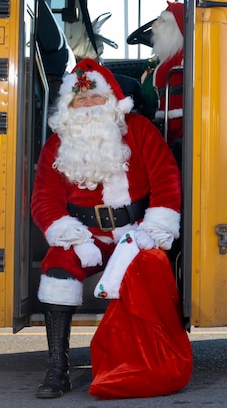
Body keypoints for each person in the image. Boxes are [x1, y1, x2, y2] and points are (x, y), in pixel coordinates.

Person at [31, 57, 183, 399]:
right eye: (79, 100)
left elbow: (167, 181)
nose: (87, 105)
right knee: (57, 269)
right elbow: (44, 201)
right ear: (69, 107)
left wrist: (151, 229)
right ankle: (58, 367)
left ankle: (144, 360)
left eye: (94, 97)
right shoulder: (57, 144)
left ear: (111, 100)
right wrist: (71, 235)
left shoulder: (140, 131)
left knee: (150, 266)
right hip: (85, 236)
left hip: (137, 230)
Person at [151, 1, 185, 144]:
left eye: (162, 20)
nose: (156, 24)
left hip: (179, 121)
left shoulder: (184, 57)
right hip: (166, 118)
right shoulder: (170, 55)